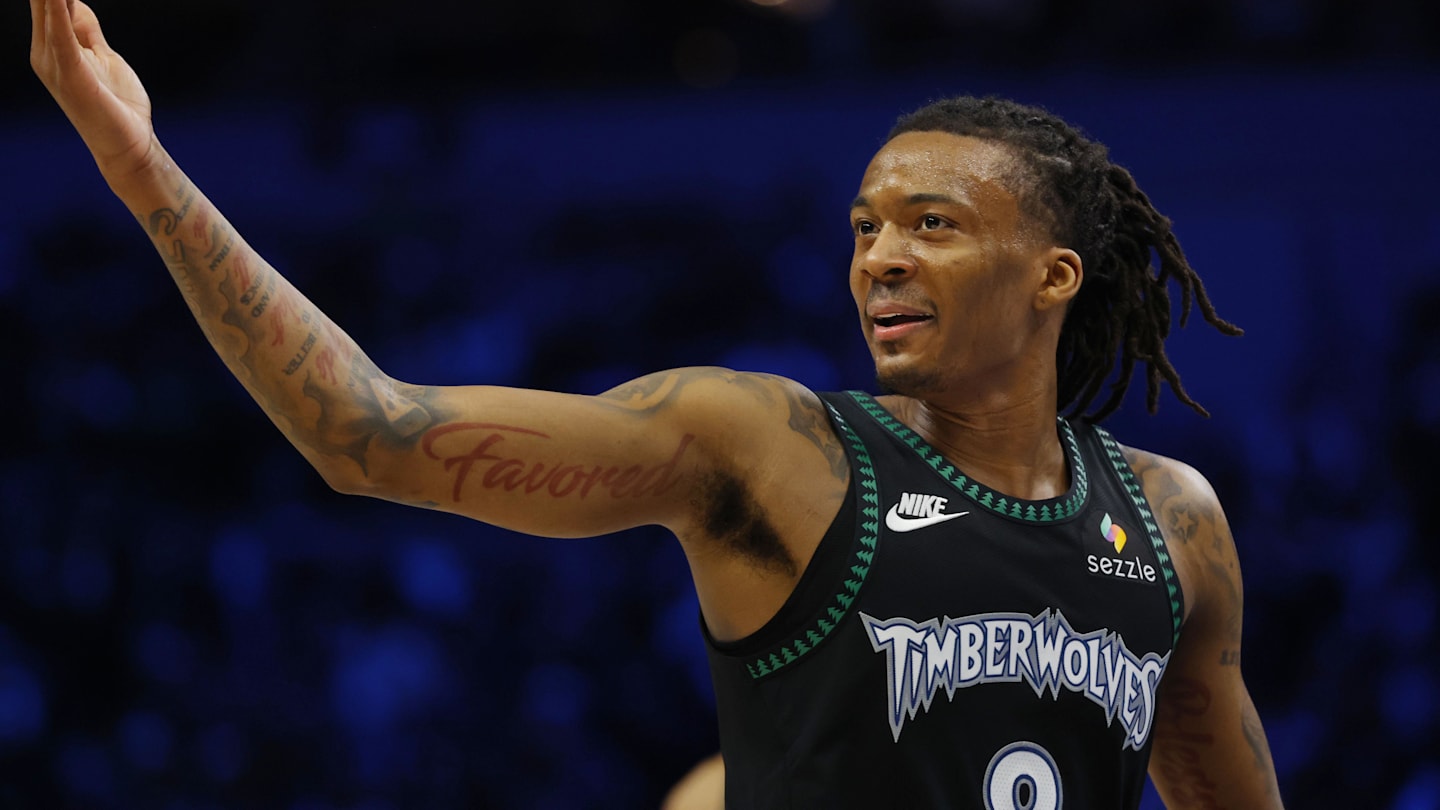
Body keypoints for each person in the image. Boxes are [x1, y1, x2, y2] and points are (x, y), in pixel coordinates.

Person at [30, 0, 1284, 806]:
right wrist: (144, 172)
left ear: (1052, 276)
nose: (880, 257)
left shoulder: (1172, 525)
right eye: (864, 228)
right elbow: (369, 432)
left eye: (933, 226)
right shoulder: (775, 448)